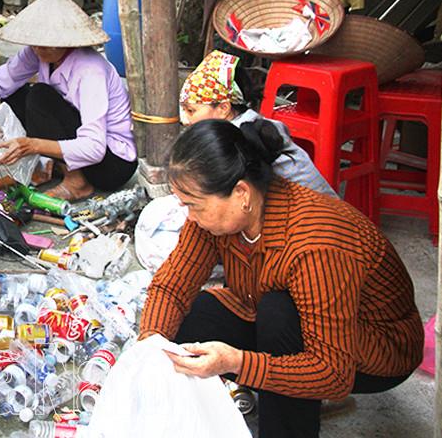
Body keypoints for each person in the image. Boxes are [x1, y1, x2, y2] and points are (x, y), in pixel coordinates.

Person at [139, 119, 422, 438]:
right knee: (191, 317)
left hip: (374, 348)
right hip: (279, 312)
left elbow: (332, 372)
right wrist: (150, 342)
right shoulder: (216, 216)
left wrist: (239, 363)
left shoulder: (314, 244)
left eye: (194, 205)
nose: (189, 216)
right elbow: (172, 285)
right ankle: (268, 389)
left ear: (241, 193)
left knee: (279, 314)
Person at [0, 0, 137, 200]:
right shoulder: (38, 52)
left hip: (110, 164)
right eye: (35, 43)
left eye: (46, 44)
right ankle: (50, 166)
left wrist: (32, 144)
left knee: (40, 96)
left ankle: (77, 181)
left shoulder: (90, 71)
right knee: (16, 94)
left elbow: (94, 148)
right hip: (80, 144)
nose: (37, 49)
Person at [180, 50, 337, 197]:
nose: (185, 120)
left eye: (191, 111)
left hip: (314, 216)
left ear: (223, 108)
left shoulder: (240, 140)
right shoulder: (253, 123)